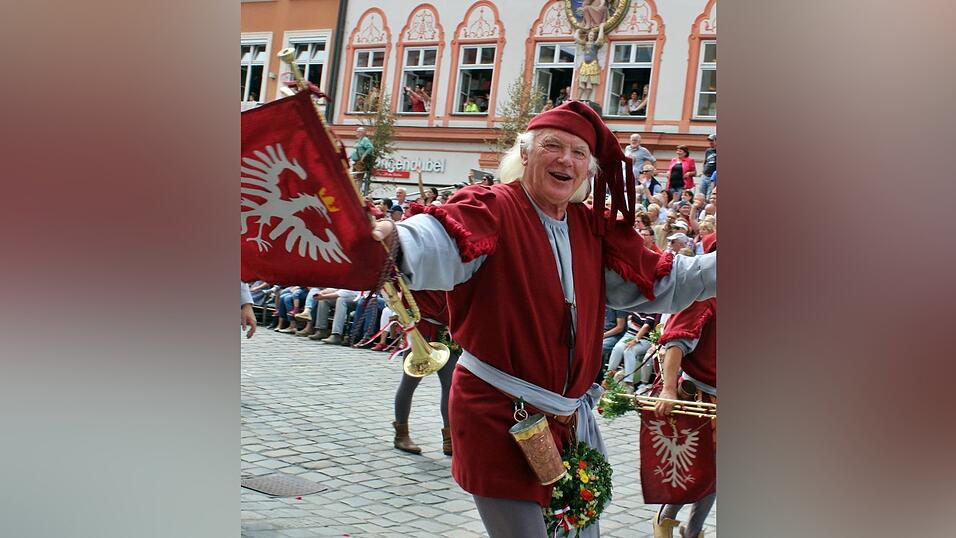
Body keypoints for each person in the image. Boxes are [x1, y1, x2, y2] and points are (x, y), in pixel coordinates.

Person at [369, 101, 715, 538]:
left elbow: (668, 281)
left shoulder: (592, 229)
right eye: (553, 146)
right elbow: (438, 237)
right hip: (498, 413)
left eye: (579, 152)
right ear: (525, 153)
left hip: (567, 420)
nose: (566, 159)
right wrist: (396, 238)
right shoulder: (493, 207)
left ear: (589, 169)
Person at [653, 234, 717, 538]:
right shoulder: (705, 293)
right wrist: (668, 389)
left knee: (719, 474)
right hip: (699, 396)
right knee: (696, 470)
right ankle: (665, 519)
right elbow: (676, 342)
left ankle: (693, 532)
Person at [391, 290, 459, 457]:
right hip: (421, 329)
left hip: (446, 330)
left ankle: (450, 438)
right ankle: (401, 434)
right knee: (410, 381)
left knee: (450, 385)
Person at [575, 24, 606, 102]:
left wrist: (601, 28)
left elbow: (600, 38)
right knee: (581, 83)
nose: (591, 37)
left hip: (592, 64)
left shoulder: (595, 44)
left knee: (589, 83)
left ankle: (587, 99)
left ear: (594, 37)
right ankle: (577, 99)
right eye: (590, 35)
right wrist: (577, 31)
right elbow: (577, 39)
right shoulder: (585, 43)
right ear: (588, 36)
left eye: (592, 35)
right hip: (585, 65)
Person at [700, 134, 716, 199]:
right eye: (709, 141)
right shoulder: (708, 151)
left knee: (709, 195)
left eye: (712, 140)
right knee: (701, 194)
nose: (710, 142)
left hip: (713, 177)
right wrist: (703, 171)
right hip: (705, 176)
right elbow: (705, 161)